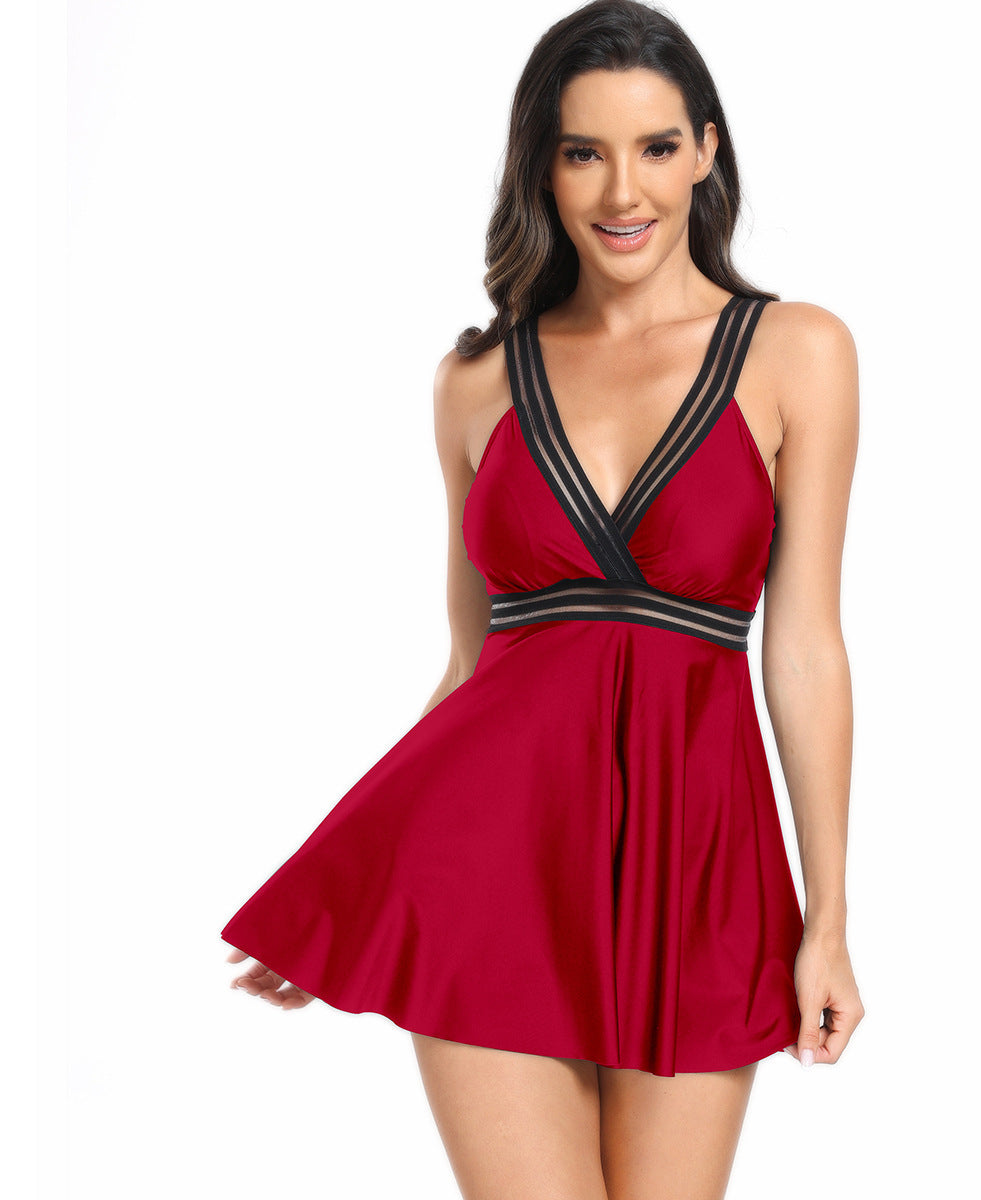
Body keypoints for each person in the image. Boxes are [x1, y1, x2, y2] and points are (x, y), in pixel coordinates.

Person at [221, 0, 864, 1195]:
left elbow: (806, 650)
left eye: (657, 147)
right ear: (543, 166)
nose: (624, 190)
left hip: (696, 861)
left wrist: (827, 917)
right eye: (583, 152)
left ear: (707, 151)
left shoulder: (797, 351)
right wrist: (352, 895)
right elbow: (471, 671)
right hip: (488, 868)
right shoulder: (474, 380)